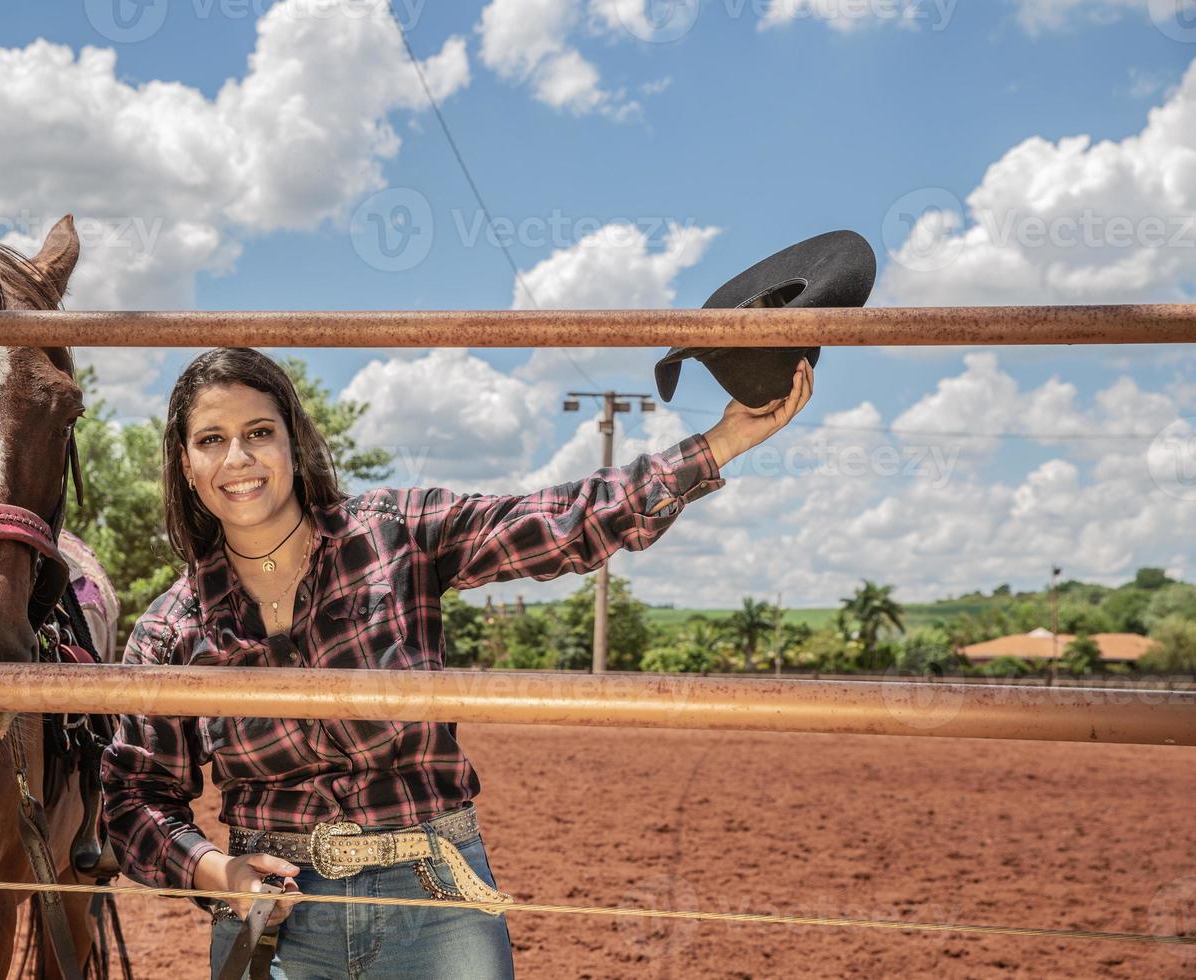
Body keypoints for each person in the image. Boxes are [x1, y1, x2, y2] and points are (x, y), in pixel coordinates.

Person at [100, 346, 814, 979]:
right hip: (278, 918)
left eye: (259, 432)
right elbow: (132, 796)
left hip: (435, 901)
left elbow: (557, 521)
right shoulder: (171, 628)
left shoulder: (395, 535)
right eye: (212, 440)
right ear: (186, 465)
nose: (239, 459)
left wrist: (719, 442)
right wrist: (215, 870)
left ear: (294, 441)